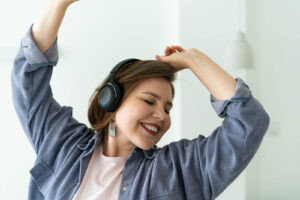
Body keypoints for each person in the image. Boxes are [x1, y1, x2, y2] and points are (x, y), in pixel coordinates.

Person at [11, 0, 270, 199]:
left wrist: (194, 59)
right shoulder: (62, 143)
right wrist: (60, 3)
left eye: (168, 108)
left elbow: (249, 121)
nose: (162, 115)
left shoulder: (181, 168)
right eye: (149, 101)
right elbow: (28, 78)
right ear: (111, 100)